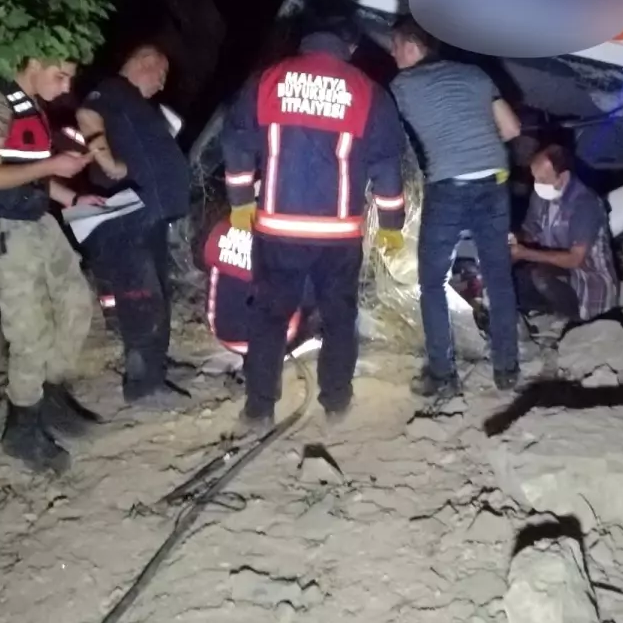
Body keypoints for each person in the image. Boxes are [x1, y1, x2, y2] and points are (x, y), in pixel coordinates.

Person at [221, 24, 407, 431]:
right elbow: (386, 164)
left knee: (269, 315)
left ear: (303, 42)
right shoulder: (368, 91)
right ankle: (337, 401)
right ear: (350, 45)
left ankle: (259, 408)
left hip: (278, 229)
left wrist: (240, 202)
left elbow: (236, 143)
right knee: (340, 316)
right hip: (338, 235)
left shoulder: (268, 80)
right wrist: (391, 222)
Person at [0, 57, 105, 474]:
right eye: (60, 75)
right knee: (30, 332)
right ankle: (22, 426)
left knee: (77, 303)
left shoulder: (31, 104)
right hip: (2, 230)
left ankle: (51, 394)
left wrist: (71, 197)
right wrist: (51, 166)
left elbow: (29, 176)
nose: (66, 86)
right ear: (34, 62)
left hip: (38, 221)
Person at [389, 16, 524, 395]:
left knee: (432, 282)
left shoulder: (402, 85)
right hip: (494, 180)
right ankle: (506, 370)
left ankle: (442, 375)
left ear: (413, 47)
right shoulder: (476, 74)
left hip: (448, 186)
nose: (392, 53)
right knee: (498, 276)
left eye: (395, 45)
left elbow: (394, 139)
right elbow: (512, 129)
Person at [76, 42, 192, 406]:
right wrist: (107, 162)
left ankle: (156, 365)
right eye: (161, 74)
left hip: (150, 217)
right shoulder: (110, 90)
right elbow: (87, 114)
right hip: (127, 219)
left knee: (157, 293)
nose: (161, 84)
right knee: (139, 298)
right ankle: (142, 386)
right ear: (144, 62)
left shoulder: (137, 105)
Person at [511, 143, 619, 322]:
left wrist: (525, 253)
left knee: (540, 277)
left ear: (563, 177)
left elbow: (575, 259)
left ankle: (573, 320)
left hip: (590, 281)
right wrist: (516, 240)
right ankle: (552, 313)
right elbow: (532, 230)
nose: (537, 184)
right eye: (535, 178)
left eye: (543, 179)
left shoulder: (584, 204)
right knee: (516, 279)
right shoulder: (543, 194)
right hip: (563, 270)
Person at [202, 215, 302, 357]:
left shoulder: (222, 228)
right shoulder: (284, 238)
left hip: (223, 333)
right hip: (278, 339)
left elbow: (207, 259)